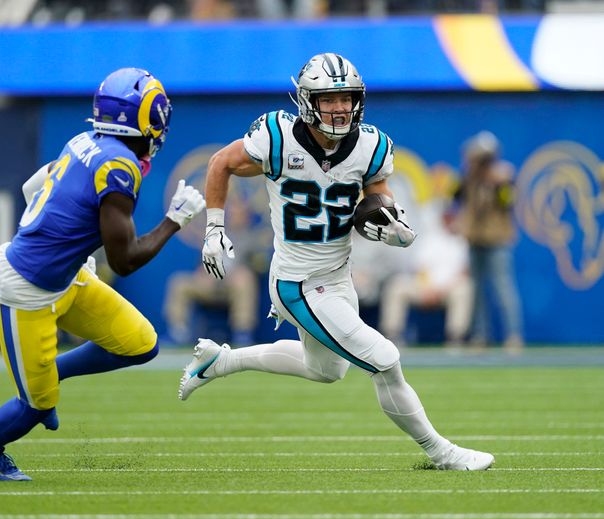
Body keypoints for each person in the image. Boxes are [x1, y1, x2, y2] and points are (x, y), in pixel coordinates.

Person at [180, 53, 494, 470]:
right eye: (330, 99)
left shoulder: (369, 145)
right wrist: (214, 228)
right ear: (308, 100)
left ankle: (221, 362)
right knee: (385, 359)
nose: (341, 107)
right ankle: (441, 452)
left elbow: (377, 201)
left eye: (347, 98)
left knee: (326, 370)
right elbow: (221, 163)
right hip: (297, 281)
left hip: (337, 274)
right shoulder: (277, 136)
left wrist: (392, 225)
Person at [0, 67, 205, 481]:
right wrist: (174, 220)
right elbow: (124, 260)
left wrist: (64, 244)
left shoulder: (85, 140)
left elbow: (32, 188)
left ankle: (50, 371)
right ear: (142, 119)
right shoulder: (118, 166)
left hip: (67, 277)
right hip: (25, 291)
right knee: (36, 406)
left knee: (140, 344)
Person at [453, 130, 523, 351]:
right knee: (476, 292)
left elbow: (508, 203)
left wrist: (502, 183)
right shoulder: (469, 179)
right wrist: (470, 171)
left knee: (503, 288)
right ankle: (480, 335)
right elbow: (454, 197)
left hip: (497, 240)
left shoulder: (503, 178)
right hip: (475, 239)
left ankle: (513, 336)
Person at [164, 197, 262, 346]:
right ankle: (178, 332)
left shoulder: (252, 239)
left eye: (239, 213)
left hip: (233, 288)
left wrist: (243, 271)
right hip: (209, 285)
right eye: (232, 213)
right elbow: (202, 262)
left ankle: (243, 333)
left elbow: (260, 265)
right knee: (179, 281)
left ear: (246, 216)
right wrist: (202, 273)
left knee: (245, 278)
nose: (235, 216)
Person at [379, 204, 473, 348]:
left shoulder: (462, 241)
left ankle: (456, 337)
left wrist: (441, 290)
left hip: (447, 290)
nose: (451, 221)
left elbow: (463, 272)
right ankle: (392, 336)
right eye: (448, 217)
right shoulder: (431, 238)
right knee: (396, 286)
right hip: (424, 288)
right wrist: (427, 288)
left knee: (464, 288)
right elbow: (420, 268)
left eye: (454, 218)